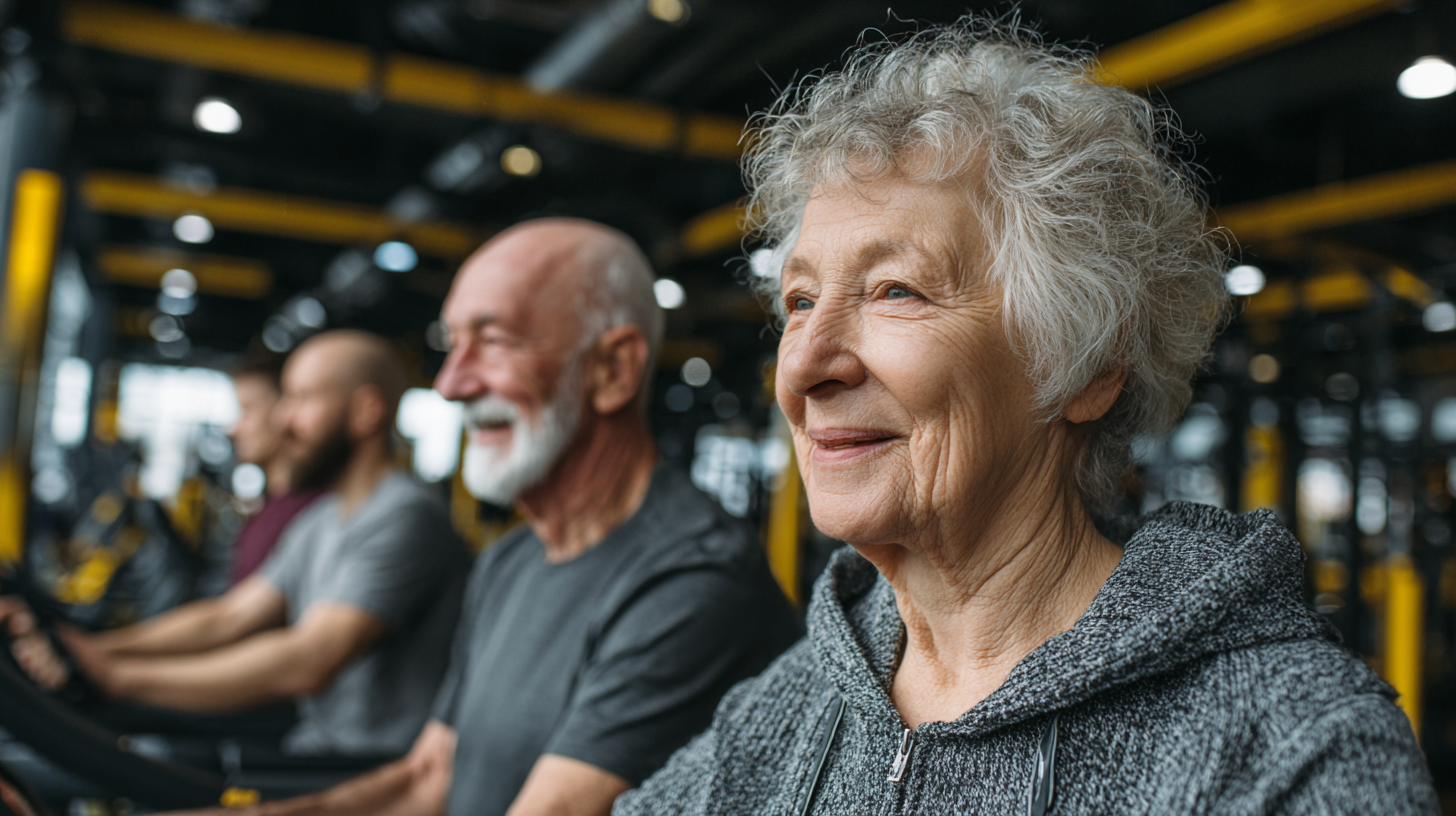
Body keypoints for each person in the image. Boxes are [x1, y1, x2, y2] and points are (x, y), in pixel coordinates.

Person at [618, 19, 1440, 816]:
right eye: (800, 300)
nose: (801, 365)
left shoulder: (1292, 751)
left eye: (895, 290)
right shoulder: (783, 709)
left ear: (1084, 367)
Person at [212, 219, 799, 816]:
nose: (450, 383)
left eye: (492, 342)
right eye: (451, 345)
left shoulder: (692, 580)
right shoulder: (506, 562)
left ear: (613, 370)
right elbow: (427, 778)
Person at [2, 330, 469, 757]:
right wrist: (95, 651)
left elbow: (308, 659)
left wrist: (115, 676)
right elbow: (229, 616)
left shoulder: (405, 515)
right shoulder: (323, 519)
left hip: (366, 769)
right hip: (312, 748)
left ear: (368, 411)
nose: (283, 419)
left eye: (303, 399)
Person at [227, 353, 322, 585]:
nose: (232, 429)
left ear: (286, 412)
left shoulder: (308, 515)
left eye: (246, 411)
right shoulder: (271, 509)